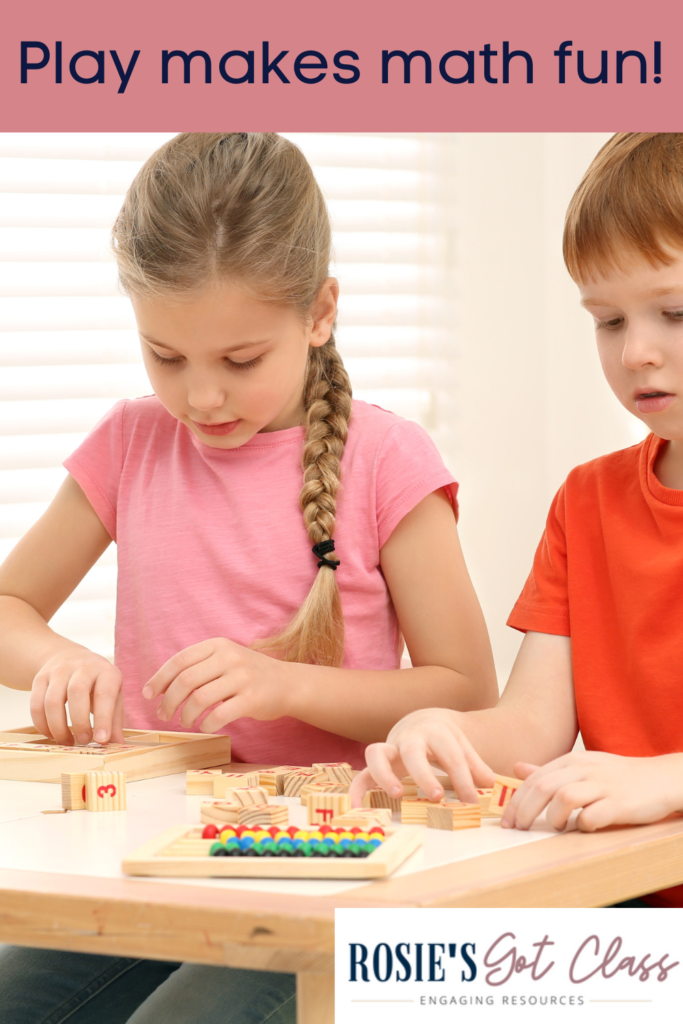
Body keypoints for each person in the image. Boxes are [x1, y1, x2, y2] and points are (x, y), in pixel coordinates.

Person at [0, 133, 497, 1022]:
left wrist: (284, 685)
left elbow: (465, 689)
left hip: (325, 864)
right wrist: (58, 664)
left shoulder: (385, 461)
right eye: (166, 357)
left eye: (239, 362)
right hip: (152, 851)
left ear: (319, 313)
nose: (201, 400)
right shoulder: (130, 443)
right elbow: (9, 608)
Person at [351, 132, 683, 910]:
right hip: (614, 915)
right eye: (606, 320)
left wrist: (664, 777)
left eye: (673, 310)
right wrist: (439, 734)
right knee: (357, 975)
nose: (635, 351)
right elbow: (532, 725)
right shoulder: (587, 501)